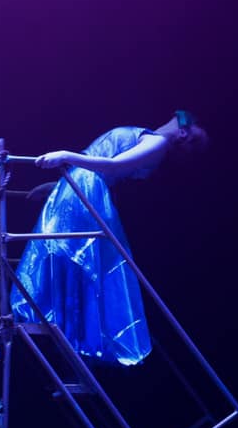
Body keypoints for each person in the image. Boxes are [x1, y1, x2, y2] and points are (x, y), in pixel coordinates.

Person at [11, 111, 208, 366]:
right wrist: (59, 187)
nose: (177, 116)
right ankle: (65, 347)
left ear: (182, 132)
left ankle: (70, 349)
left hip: (86, 187)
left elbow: (111, 166)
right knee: (65, 262)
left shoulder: (157, 143)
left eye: (186, 122)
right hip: (78, 184)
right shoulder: (148, 135)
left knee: (76, 263)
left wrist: (65, 156)